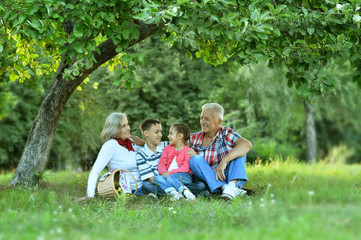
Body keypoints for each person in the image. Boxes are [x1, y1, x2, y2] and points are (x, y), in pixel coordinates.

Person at [188, 103, 252, 200]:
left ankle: (231, 185)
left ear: (219, 121)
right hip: (206, 181)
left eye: (207, 119)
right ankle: (227, 189)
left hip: (226, 176)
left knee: (239, 151)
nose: (203, 122)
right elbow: (174, 146)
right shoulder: (193, 138)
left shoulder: (226, 133)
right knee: (195, 159)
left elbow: (246, 144)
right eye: (201, 118)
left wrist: (224, 161)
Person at [136, 119, 207, 198]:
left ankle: (170, 193)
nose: (161, 135)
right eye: (157, 132)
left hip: (179, 178)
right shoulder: (141, 155)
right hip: (162, 180)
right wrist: (165, 175)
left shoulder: (167, 144)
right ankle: (182, 192)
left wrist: (193, 154)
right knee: (146, 186)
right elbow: (152, 179)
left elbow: (182, 144)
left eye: (160, 132)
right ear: (146, 133)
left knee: (201, 185)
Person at [82, 112, 144, 200]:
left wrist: (144, 144)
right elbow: (95, 170)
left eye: (127, 124)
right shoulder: (110, 146)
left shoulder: (131, 142)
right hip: (131, 190)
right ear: (115, 129)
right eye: (123, 126)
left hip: (145, 184)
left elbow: (155, 154)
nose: (128, 128)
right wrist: (90, 195)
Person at [154, 123, 197, 201]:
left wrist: (169, 173)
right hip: (168, 176)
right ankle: (175, 193)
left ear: (180, 136)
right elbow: (161, 164)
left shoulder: (187, 150)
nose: (168, 136)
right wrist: (164, 172)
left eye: (171, 133)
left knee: (170, 178)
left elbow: (185, 168)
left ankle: (186, 192)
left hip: (184, 176)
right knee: (157, 178)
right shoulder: (167, 148)